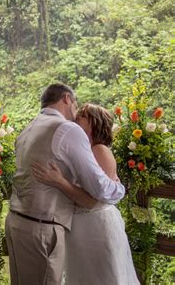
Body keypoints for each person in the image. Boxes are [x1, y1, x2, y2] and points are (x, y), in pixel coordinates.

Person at [5, 83, 125, 285]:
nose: (76, 113)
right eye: (76, 105)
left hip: (16, 222)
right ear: (67, 98)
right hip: (42, 229)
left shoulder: (29, 128)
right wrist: (119, 189)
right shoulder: (67, 129)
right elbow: (100, 189)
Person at [32, 104, 139, 285]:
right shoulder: (85, 150)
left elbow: (91, 202)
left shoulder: (100, 150)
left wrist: (59, 181)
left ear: (94, 123)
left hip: (96, 228)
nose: (76, 117)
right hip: (82, 228)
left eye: (82, 115)